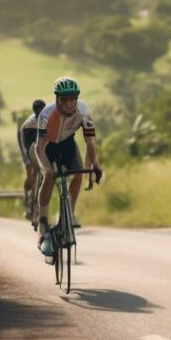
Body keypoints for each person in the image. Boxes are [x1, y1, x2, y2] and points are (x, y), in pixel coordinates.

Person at [34, 76, 103, 256]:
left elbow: (90, 142)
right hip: (48, 147)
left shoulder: (84, 111)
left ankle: (69, 214)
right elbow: (39, 147)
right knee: (49, 176)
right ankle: (42, 220)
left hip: (67, 144)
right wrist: (46, 168)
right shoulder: (46, 114)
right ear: (57, 99)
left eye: (73, 99)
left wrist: (95, 164)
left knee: (78, 173)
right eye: (65, 100)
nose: (70, 104)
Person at [18, 99, 47, 221]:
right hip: (28, 143)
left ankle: (39, 203)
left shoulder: (47, 120)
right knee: (31, 172)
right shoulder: (28, 124)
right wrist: (28, 161)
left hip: (39, 145)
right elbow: (26, 145)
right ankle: (29, 199)